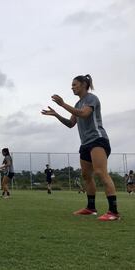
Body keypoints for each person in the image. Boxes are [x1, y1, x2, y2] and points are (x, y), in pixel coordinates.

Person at [42, 74, 120, 221]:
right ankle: (91, 208)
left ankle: (114, 212)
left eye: (74, 84)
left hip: (98, 140)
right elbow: (71, 124)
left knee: (100, 172)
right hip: (85, 144)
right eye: (71, 85)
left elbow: (85, 114)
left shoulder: (91, 99)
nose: (72, 87)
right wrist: (56, 114)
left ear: (84, 84)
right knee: (86, 176)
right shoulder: (77, 104)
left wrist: (63, 104)